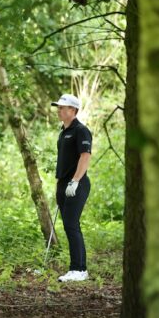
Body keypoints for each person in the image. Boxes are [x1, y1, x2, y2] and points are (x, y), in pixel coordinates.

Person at [52, 94, 92, 282]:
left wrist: (75, 181)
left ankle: (79, 269)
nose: (59, 110)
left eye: (62, 107)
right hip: (63, 184)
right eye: (58, 107)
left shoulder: (81, 131)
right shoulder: (63, 132)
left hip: (77, 183)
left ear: (73, 110)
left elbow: (85, 157)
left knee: (71, 224)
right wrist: (59, 185)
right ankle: (77, 268)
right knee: (69, 225)